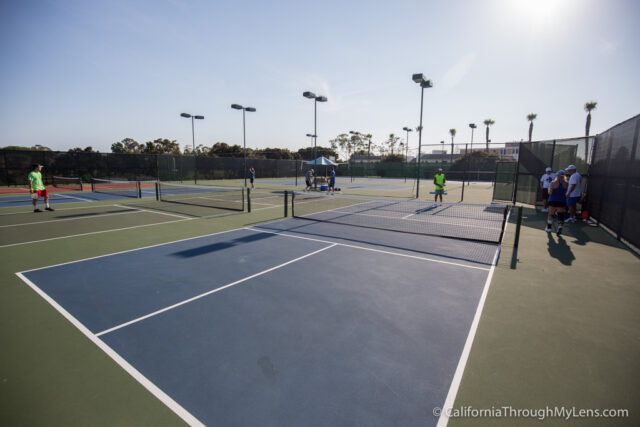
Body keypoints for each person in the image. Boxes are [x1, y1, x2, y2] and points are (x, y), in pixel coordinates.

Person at [546, 170, 568, 235]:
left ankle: (549, 228)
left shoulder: (553, 183)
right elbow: (566, 192)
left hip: (553, 200)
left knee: (550, 214)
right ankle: (560, 227)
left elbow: (550, 192)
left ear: (557, 176)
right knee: (560, 215)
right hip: (562, 201)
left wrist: (548, 190)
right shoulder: (566, 183)